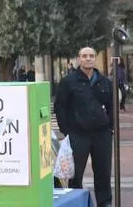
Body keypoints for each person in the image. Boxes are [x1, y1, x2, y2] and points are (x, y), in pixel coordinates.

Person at [54, 47, 113, 207]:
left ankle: (105, 202)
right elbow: (60, 107)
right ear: (79, 59)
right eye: (84, 56)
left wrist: (110, 128)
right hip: (78, 135)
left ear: (95, 59)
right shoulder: (68, 82)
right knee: (75, 173)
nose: (88, 59)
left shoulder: (104, 82)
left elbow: (111, 106)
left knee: (103, 172)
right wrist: (67, 131)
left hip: (102, 134)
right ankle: (76, 202)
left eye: (91, 56)